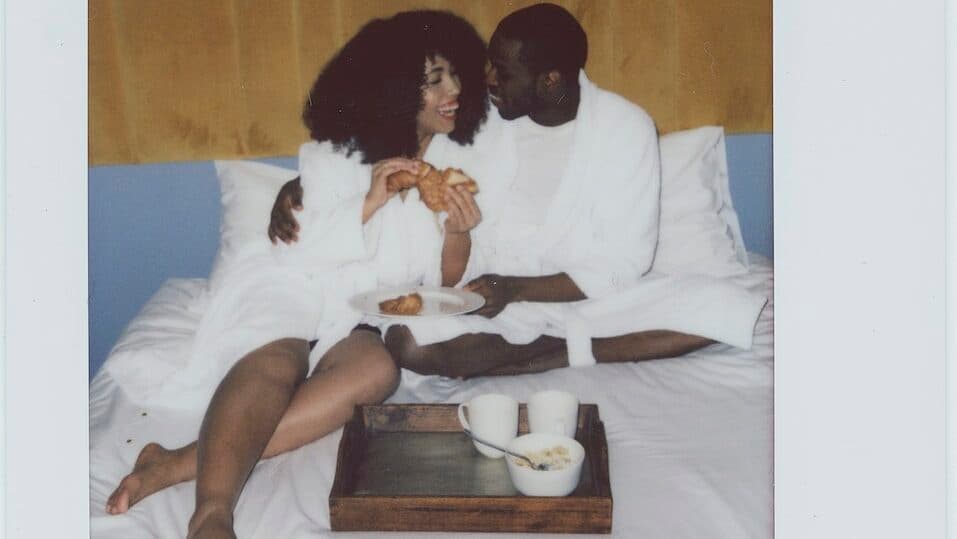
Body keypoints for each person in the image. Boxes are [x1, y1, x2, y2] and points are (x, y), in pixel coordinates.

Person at [105, 11, 487, 539]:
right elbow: (296, 250)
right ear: (396, 88)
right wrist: (371, 201)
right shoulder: (335, 156)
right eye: (435, 80)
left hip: (357, 315)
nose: (454, 90)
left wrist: (460, 233)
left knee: (377, 372)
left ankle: (172, 463)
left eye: (455, 75)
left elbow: (440, 285)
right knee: (279, 360)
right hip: (289, 281)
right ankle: (212, 513)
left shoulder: (454, 166)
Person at [270, 3, 766, 380]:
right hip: (486, 300)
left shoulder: (624, 128)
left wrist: (519, 288)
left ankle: (563, 350)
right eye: (489, 65)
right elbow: (403, 151)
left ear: (550, 81)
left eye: (502, 73)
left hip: (583, 295)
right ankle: (578, 347)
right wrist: (301, 183)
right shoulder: (483, 117)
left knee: (723, 305)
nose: (485, 80)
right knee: (407, 342)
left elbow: (625, 263)